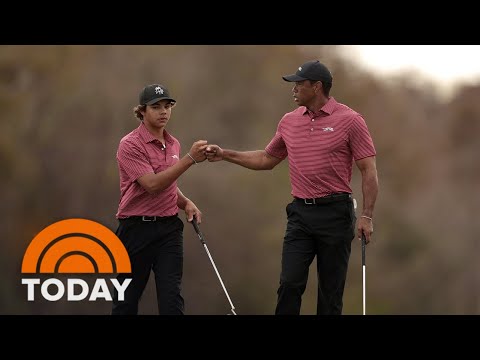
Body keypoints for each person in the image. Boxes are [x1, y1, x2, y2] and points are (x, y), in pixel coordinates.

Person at [205, 60, 378, 315]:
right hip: (300, 215)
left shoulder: (350, 120)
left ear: (317, 87)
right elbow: (267, 159)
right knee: (289, 283)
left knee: (330, 294)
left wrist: (367, 216)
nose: (293, 89)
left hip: (336, 214)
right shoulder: (289, 121)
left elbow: (369, 170)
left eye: (299, 84)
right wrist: (225, 154)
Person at [112, 83, 208, 315]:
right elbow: (153, 184)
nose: (163, 111)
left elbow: (168, 184)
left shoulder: (173, 142)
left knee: (171, 299)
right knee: (126, 302)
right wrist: (190, 159)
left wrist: (184, 202)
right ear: (142, 111)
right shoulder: (130, 144)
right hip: (135, 229)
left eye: (167, 106)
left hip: (168, 230)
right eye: (156, 107)